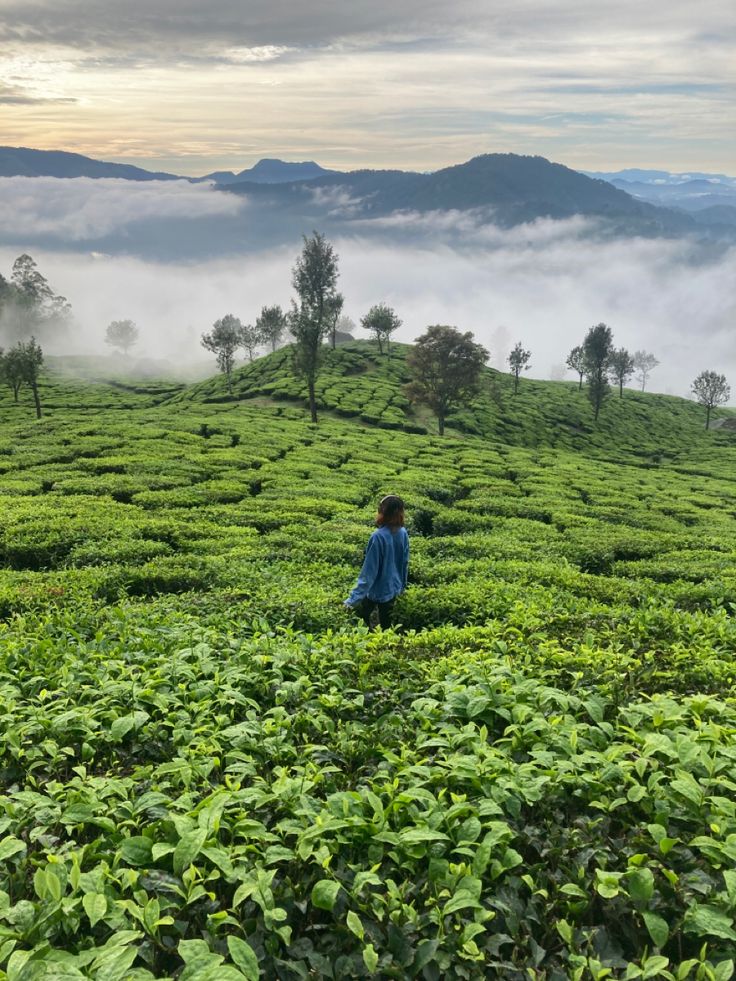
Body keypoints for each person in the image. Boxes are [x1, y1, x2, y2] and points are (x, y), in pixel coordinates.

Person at [344, 494, 409, 629]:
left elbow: (369, 572)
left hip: (376, 590)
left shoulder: (378, 536)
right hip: (393, 588)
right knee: (387, 627)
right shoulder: (403, 532)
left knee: (361, 620)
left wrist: (352, 600)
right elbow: (404, 563)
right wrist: (402, 586)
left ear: (382, 512)